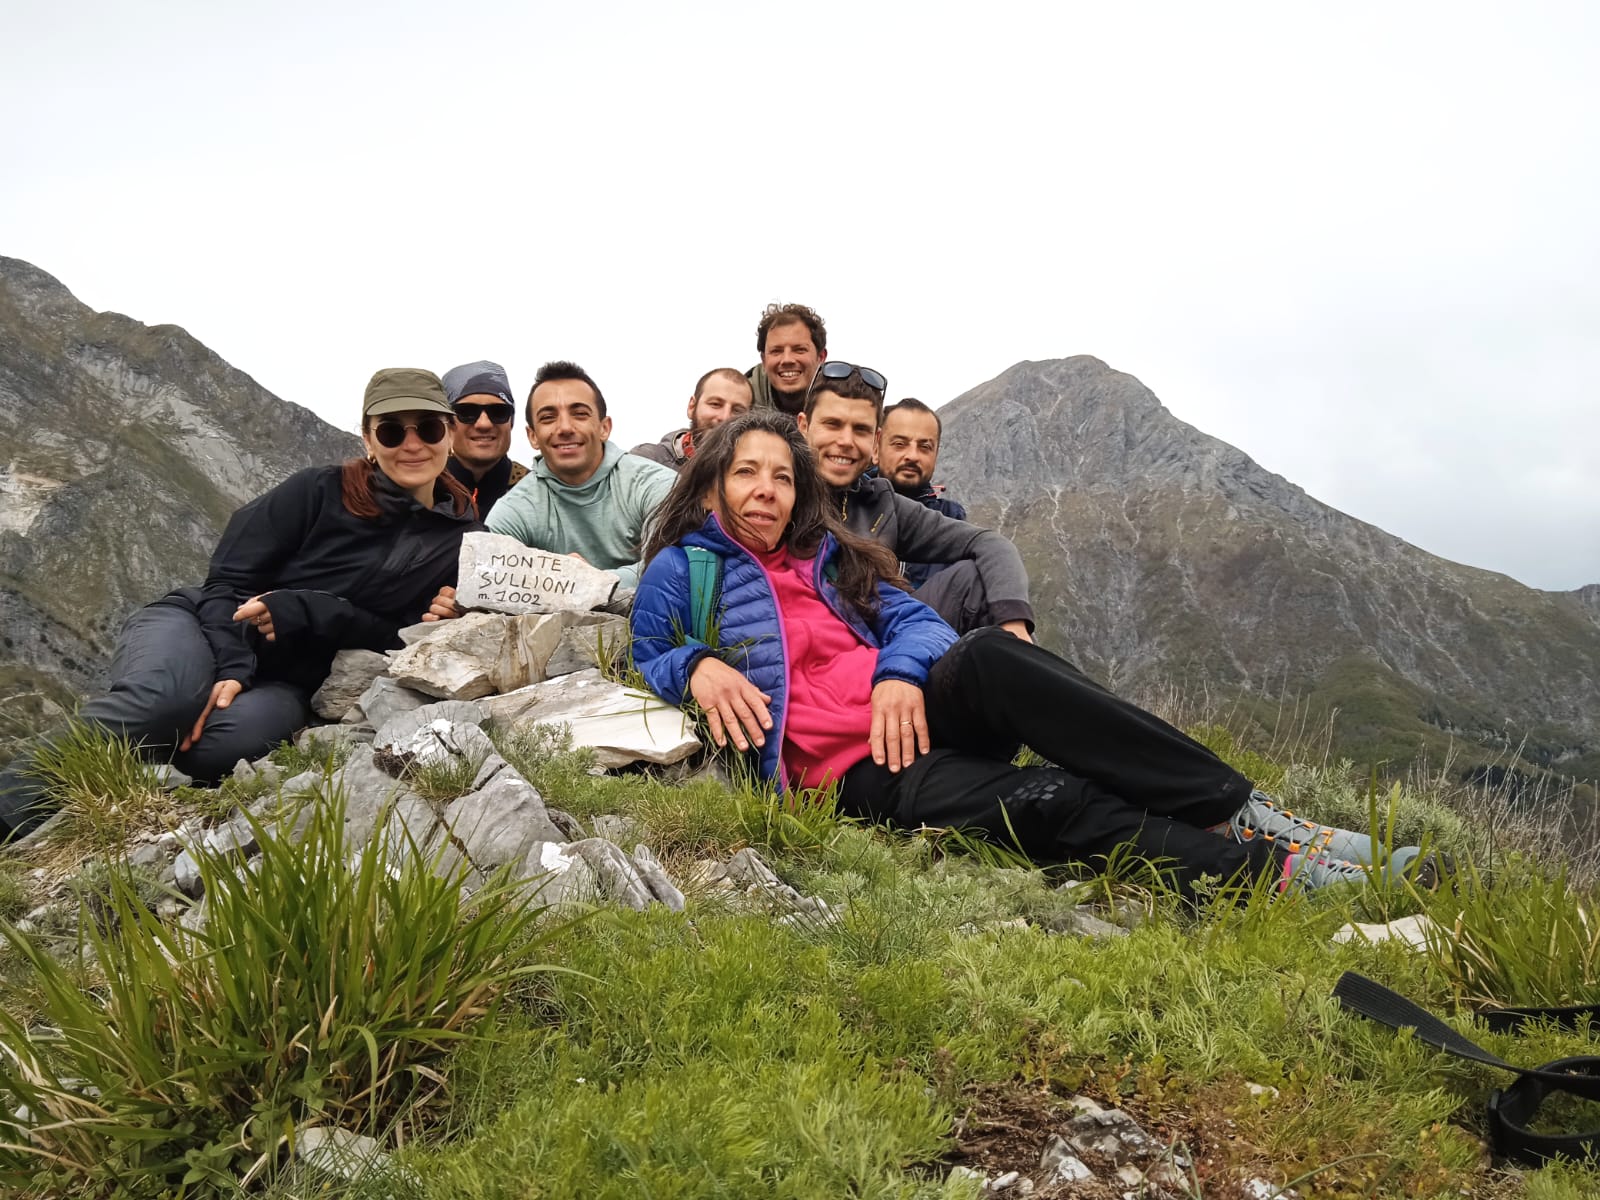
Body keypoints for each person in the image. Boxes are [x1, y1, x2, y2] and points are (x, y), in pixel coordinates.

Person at [629, 409, 1422, 897]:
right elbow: (646, 650)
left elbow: (917, 623)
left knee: (989, 657)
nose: (767, 490)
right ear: (711, 489)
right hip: (852, 775)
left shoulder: (827, 556)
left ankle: (1240, 809)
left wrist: (902, 677)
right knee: (1052, 799)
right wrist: (697, 663)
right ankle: (1274, 876)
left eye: (780, 477)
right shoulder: (683, 568)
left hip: (907, 714)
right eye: (746, 475)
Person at [0, 368, 479, 842]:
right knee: (161, 706)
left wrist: (312, 609)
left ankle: (124, 786)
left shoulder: (460, 543)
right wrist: (233, 667)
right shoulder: (317, 490)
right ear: (369, 439)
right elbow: (226, 581)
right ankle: (10, 813)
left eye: (429, 428)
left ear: (450, 434)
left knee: (220, 747)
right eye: (392, 430)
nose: (412, 444)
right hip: (200, 626)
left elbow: (393, 637)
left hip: (291, 681)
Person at [797, 362, 1034, 638]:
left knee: (976, 579)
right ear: (803, 426)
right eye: (832, 424)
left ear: (875, 442)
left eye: (860, 430)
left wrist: (1014, 624)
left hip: (889, 640)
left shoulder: (881, 502)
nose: (846, 441)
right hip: (820, 650)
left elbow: (990, 543)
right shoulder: (778, 494)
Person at [485, 360, 676, 589]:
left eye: (580, 414)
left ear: (604, 427)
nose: (565, 428)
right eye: (548, 418)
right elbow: (488, 582)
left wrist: (590, 582)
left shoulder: (658, 485)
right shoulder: (514, 509)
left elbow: (673, 565)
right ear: (532, 436)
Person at [875, 397, 967, 588]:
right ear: (877, 446)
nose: (913, 456)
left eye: (925, 447)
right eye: (900, 444)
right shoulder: (848, 505)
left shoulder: (951, 518)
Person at [442, 359, 529, 519]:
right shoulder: (423, 491)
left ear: (511, 422)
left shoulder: (538, 495)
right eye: (467, 412)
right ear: (447, 423)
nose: (484, 424)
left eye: (498, 412)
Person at [631, 368, 754, 471]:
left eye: (738, 411)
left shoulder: (756, 479)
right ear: (692, 407)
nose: (725, 417)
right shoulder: (645, 463)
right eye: (715, 404)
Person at [746, 302, 827, 415]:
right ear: (764, 360)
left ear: (821, 357)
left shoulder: (845, 399)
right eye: (776, 351)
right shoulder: (738, 403)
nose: (787, 360)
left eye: (799, 350)